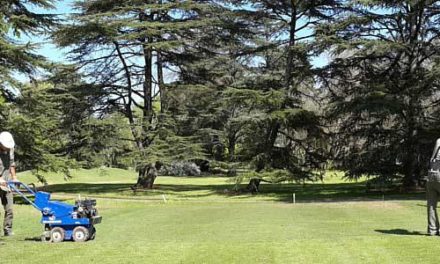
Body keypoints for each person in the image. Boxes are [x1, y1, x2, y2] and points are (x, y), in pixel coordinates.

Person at [0, 131, 16, 237]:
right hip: (0, 180)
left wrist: (14, 177)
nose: (7, 148)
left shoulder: (10, 149)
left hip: (7, 181)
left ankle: (8, 229)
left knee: (9, 208)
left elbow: (11, 164)